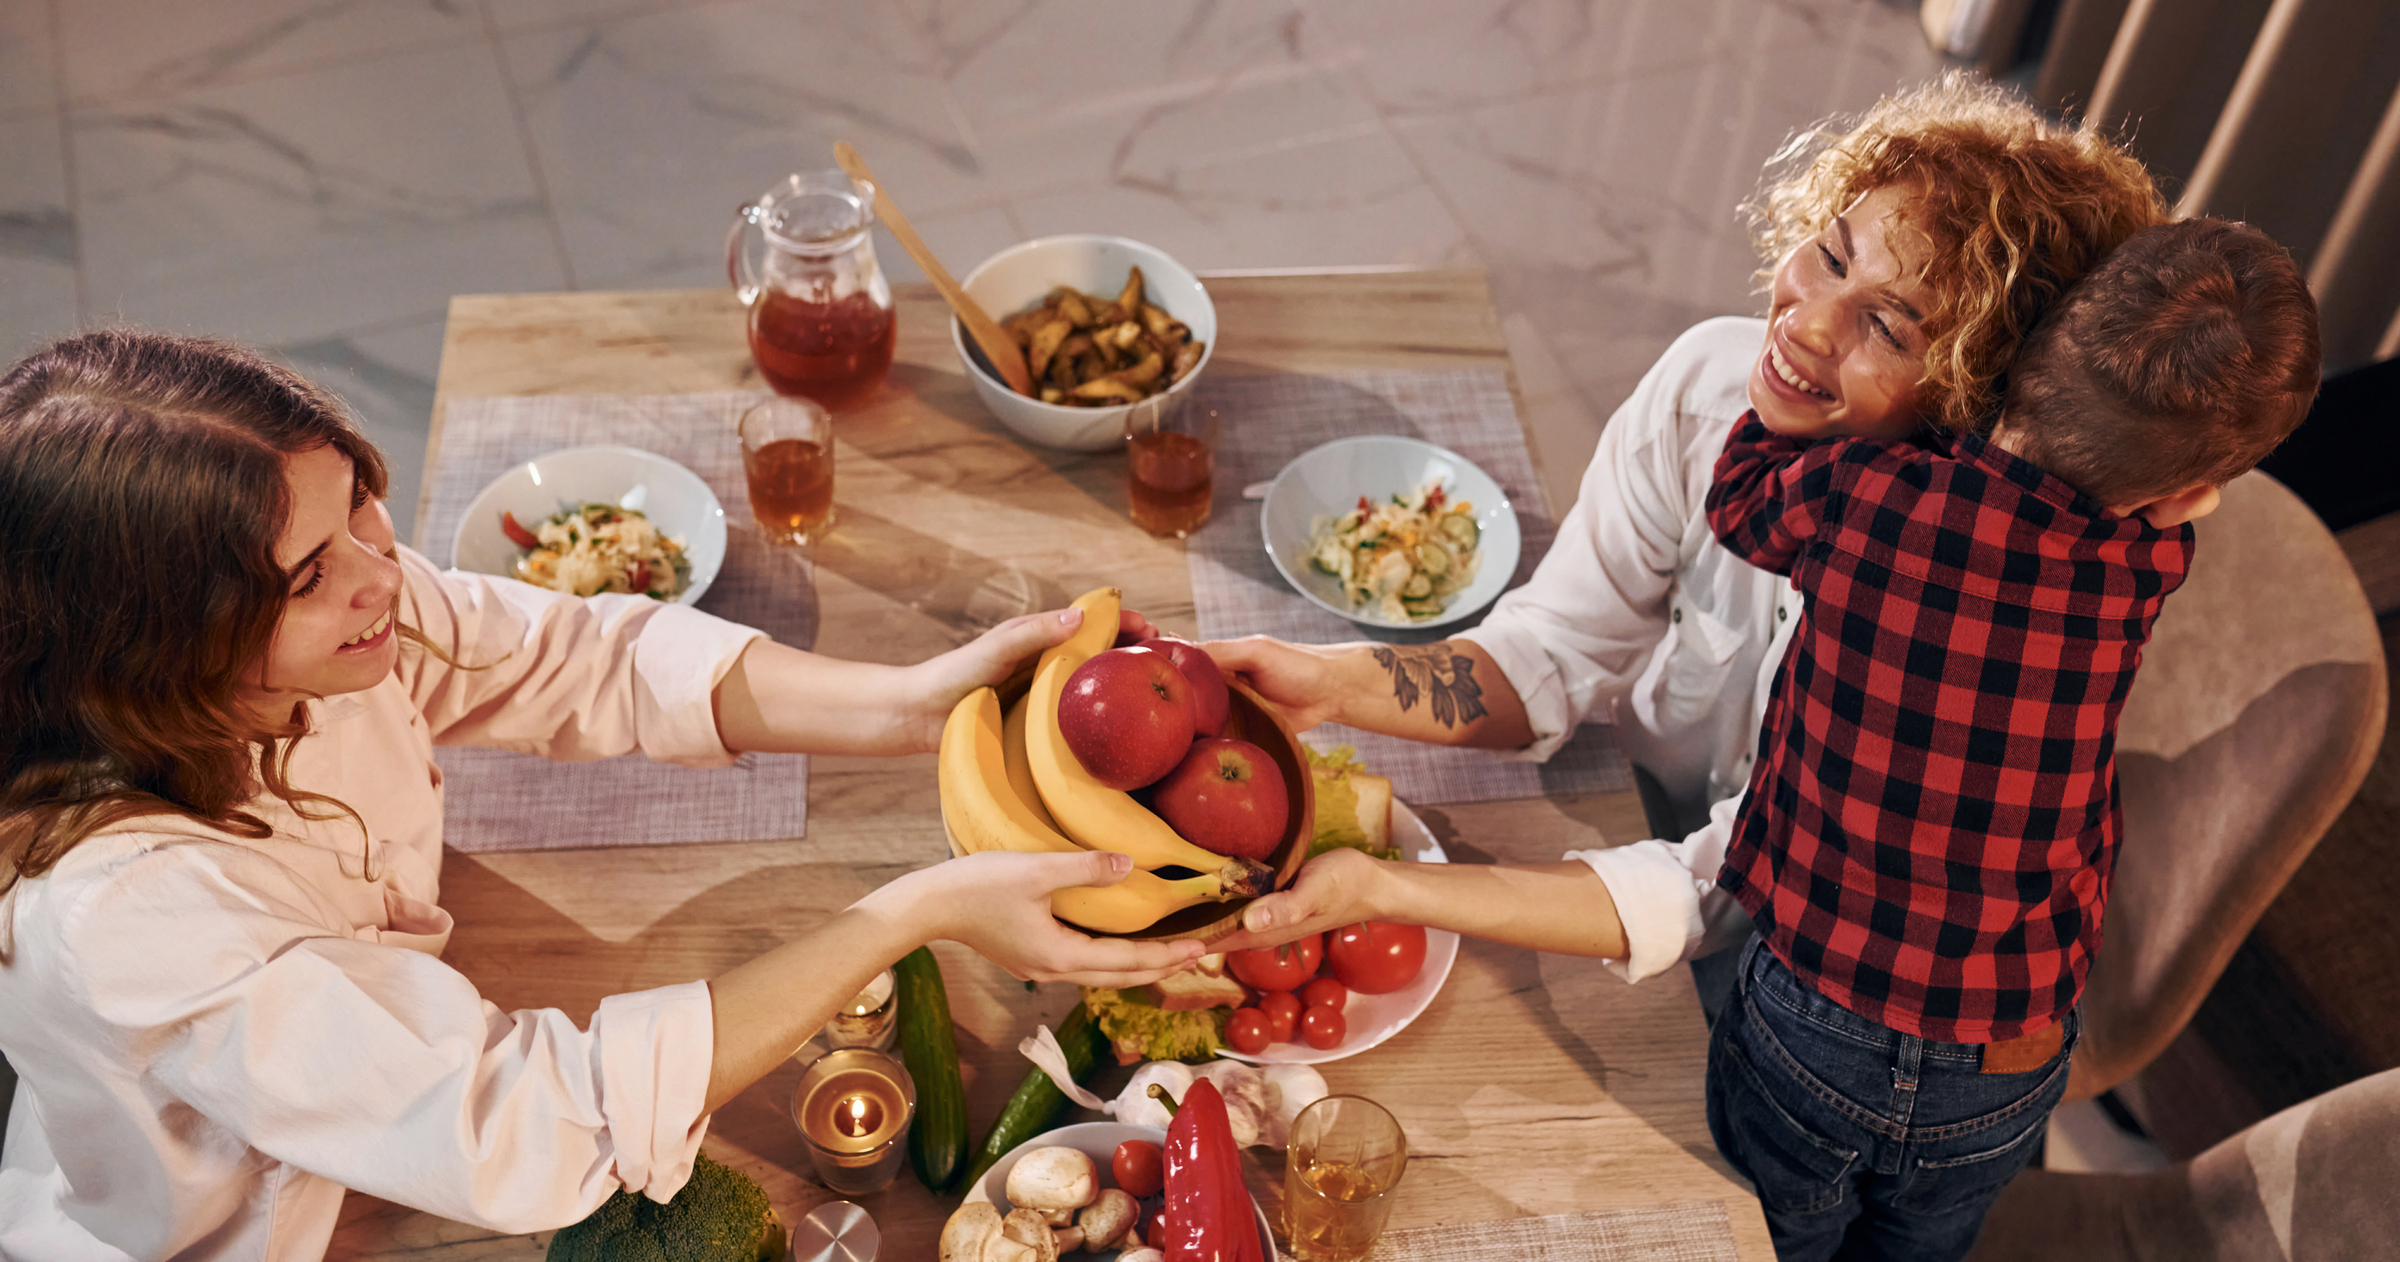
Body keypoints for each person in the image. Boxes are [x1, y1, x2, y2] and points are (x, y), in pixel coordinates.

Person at [1199, 74, 2163, 1253]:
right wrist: (1331, 678)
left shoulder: (1951, 603)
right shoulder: (1713, 386)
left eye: (1891, 325)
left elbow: (1720, 885)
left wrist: (1394, 889)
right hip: (1672, 895)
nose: (1807, 321)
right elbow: (1554, 647)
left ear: (1980, 397)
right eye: (1828, 253)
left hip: (1824, 1008)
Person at [0, 330, 1203, 1259]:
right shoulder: (122, 913)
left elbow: (573, 654)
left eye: (362, 503)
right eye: (314, 571)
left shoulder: (333, 618)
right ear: (164, 649)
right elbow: (530, 1122)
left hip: (397, 1103)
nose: (385, 577)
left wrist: (918, 702)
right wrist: (908, 912)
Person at [1696, 215, 2318, 1260]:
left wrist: (1800, 389)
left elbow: (1738, 501)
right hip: (2006, 1055)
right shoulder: (2143, 568)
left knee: (1771, 1238)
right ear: (2183, 500)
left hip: (1816, 1015)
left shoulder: (1866, 488)